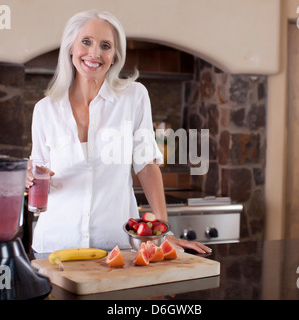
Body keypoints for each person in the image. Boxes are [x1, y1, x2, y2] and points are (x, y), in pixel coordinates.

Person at [27, 9, 210, 254]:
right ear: (71, 47)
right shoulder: (44, 110)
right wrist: (28, 176)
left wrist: (163, 232)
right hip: (54, 246)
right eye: (86, 42)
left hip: (117, 245)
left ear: (114, 56)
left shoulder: (134, 97)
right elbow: (39, 175)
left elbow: (146, 165)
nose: (95, 53)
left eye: (105, 46)